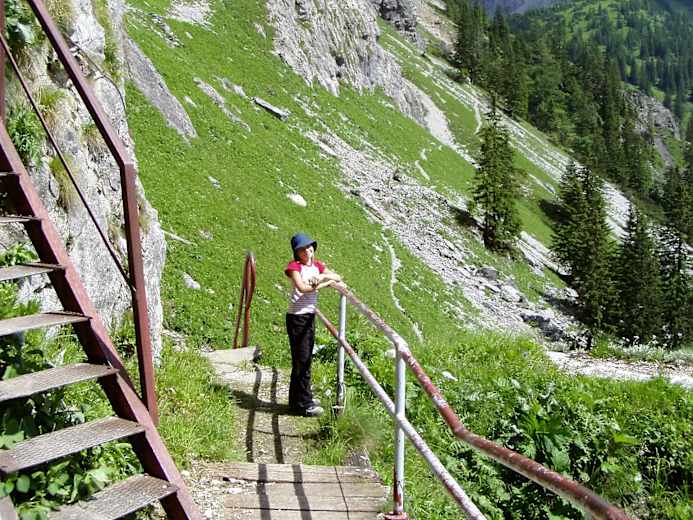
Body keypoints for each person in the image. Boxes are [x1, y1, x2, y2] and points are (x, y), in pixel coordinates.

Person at [284, 233, 343, 417]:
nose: (306, 251)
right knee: (302, 360)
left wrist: (322, 277)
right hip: (297, 318)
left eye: (309, 246)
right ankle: (305, 404)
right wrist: (326, 283)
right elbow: (303, 288)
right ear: (296, 252)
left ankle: (297, 400)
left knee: (304, 359)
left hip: (308, 316)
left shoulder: (317, 266)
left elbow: (337, 276)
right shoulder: (294, 267)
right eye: (301, 249)